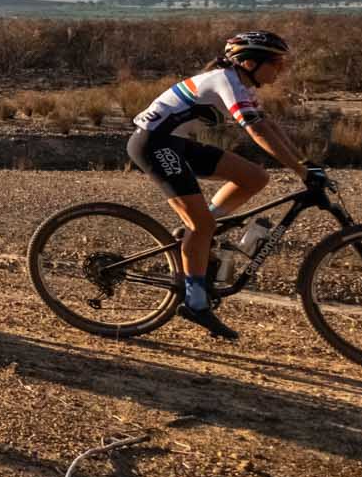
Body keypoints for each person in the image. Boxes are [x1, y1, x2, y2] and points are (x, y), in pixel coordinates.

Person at [126, 29, 320, 342]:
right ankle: (196, 302)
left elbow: (269, 125)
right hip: (153, 143)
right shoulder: (224, 80)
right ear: (250, 62)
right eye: (276, 63)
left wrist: (306, 164)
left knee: (255, 177)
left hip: (176, 143)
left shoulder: (242, 84)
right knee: (200, 226)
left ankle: (201, 230)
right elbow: (257, 132)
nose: (281, 70)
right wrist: (300, 171)